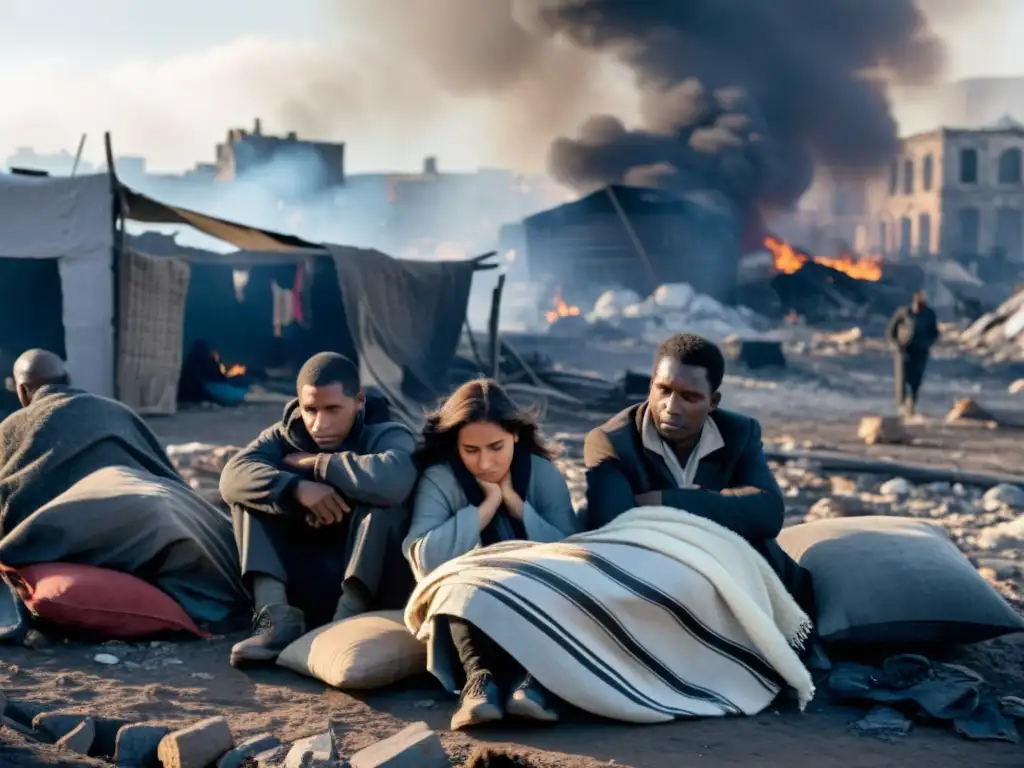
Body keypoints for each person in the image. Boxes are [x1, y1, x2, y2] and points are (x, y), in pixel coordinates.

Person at [0, 349, 247, 636]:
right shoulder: (118, 410)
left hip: (110, 515)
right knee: (188, 537)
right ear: (68, 378)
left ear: (21, 390)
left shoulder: (13, 428)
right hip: (166, 504)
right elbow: (165, 471)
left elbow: (9, 499)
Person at [582, 334, 817, 624]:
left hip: (730, 575)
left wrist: (665, 501)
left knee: (763, 553)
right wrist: (716, 512)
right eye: (663, 390)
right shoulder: (611, 442)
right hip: (648, 581)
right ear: (650, 386)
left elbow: (767, 511)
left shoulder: (739, 433)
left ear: (713, 401)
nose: (672, 406)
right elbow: (613, 527)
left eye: (690, 397)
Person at [220, 352, 418, 667]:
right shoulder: (286, 433)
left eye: (332, 409)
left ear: (358, 401)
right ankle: (275, 617)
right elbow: (233, 475)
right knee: (250, 495)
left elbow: (395, 479)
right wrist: (295, 489)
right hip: (306, 570)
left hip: (365, 582)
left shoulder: (386, 430)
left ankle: (345, 620)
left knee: (384, 502)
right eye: (310, 410)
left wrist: (318, 464)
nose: (318, 423)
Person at [404, 378, 579, 731]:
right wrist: (486, 507)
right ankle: (478, 684)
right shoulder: (440, 479)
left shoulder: (542, 474)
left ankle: (535, 684)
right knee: (461, 580)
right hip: (467, 617)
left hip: (537, 606)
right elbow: (423, 557)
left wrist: (517, 505)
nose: (485, 463)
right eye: (471, 450)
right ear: (456, 444)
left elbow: (573, 553)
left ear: (515, 434)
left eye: (496, 447)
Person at [886, 291, 939, 417]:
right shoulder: (904, 313)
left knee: (915, 380)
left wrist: (928, 342)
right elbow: (891, 330)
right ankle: (901, 405)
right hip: (903, 350)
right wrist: (896, 345)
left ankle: (912, 405)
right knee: (902, 379)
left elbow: (934, 332)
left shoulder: (929, 315)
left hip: (920, 351)